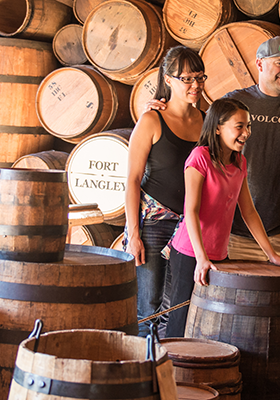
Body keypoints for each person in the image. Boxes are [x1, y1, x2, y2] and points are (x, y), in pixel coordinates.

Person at [151, 36, 280, 266]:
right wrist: (161, 111)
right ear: (260, 64)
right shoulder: (233, 102)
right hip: (232, 235)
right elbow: (194, 140)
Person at [162, 98, 280, 338]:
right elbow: (190, 210)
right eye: (239, 126)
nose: (246, 133)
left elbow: (249, 212)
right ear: (218, 127)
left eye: (248, 126)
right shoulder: (199, 157)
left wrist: (271, 254)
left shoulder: (239, 161)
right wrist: (201, 259)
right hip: (190, 253)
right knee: (181, 322)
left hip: (220, 255)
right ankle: (169, 372)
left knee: (211, 325)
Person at [124, 46, 205, 337]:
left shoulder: (206, 122)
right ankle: (143, 374)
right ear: (168, 80)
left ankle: (172, 375)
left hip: (190, 226)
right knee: (148, 309)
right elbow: (132, 180)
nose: (195, 85)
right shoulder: (151, 121)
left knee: (180, 307)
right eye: (187, 79)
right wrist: (134, 235)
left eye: (199, 78)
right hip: (153, 224)